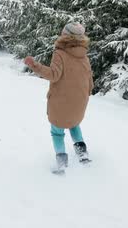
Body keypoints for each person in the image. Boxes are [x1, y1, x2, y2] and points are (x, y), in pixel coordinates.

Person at [24, 23, 94, 174]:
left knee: (57, 131)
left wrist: (35, 66)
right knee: (74, 124)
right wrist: (85, 95)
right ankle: (83, 155)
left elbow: (53, 75)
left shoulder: (60, 53)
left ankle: (62, 163)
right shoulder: (84, 55)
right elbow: (89, 80)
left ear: (65, 36)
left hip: (61, 101)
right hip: (79, 101)